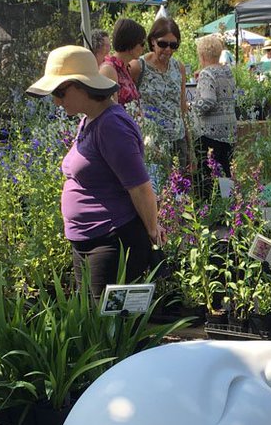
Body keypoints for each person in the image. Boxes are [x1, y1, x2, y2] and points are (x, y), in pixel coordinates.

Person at [27, 45, 162, 301]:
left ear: (82, 85)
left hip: (111, 241)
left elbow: (140, 187)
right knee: (95, 326)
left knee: (110, 327)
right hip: (90, 241)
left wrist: (153, 232)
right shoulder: (90, 119)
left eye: (60, 91)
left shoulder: (112, 126)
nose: (56, 101)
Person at [137, 17, 188, 163]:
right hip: (152, 144)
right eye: (163, 44)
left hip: (178, 141)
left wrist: (190, 146)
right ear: (152, 41)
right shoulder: (139, 67)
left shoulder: (179, 68)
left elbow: (182, 106)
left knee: (180, 184)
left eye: (173, 45)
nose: (168, 50)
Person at [191, 34, 236, 178]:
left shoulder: (206, 73)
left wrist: (191, 106)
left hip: (210, 133)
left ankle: (210, 201)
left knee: (209, 176)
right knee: (226, 174)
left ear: (202, 55)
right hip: (228, 130)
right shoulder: (227, 71)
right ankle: (228, 200)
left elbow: (208, 100)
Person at [98, 17, 145, 110]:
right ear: (131, 43)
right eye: (142, 44)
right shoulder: (109, 70)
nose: (144, 48)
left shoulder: (125, 68)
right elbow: (110, 111)